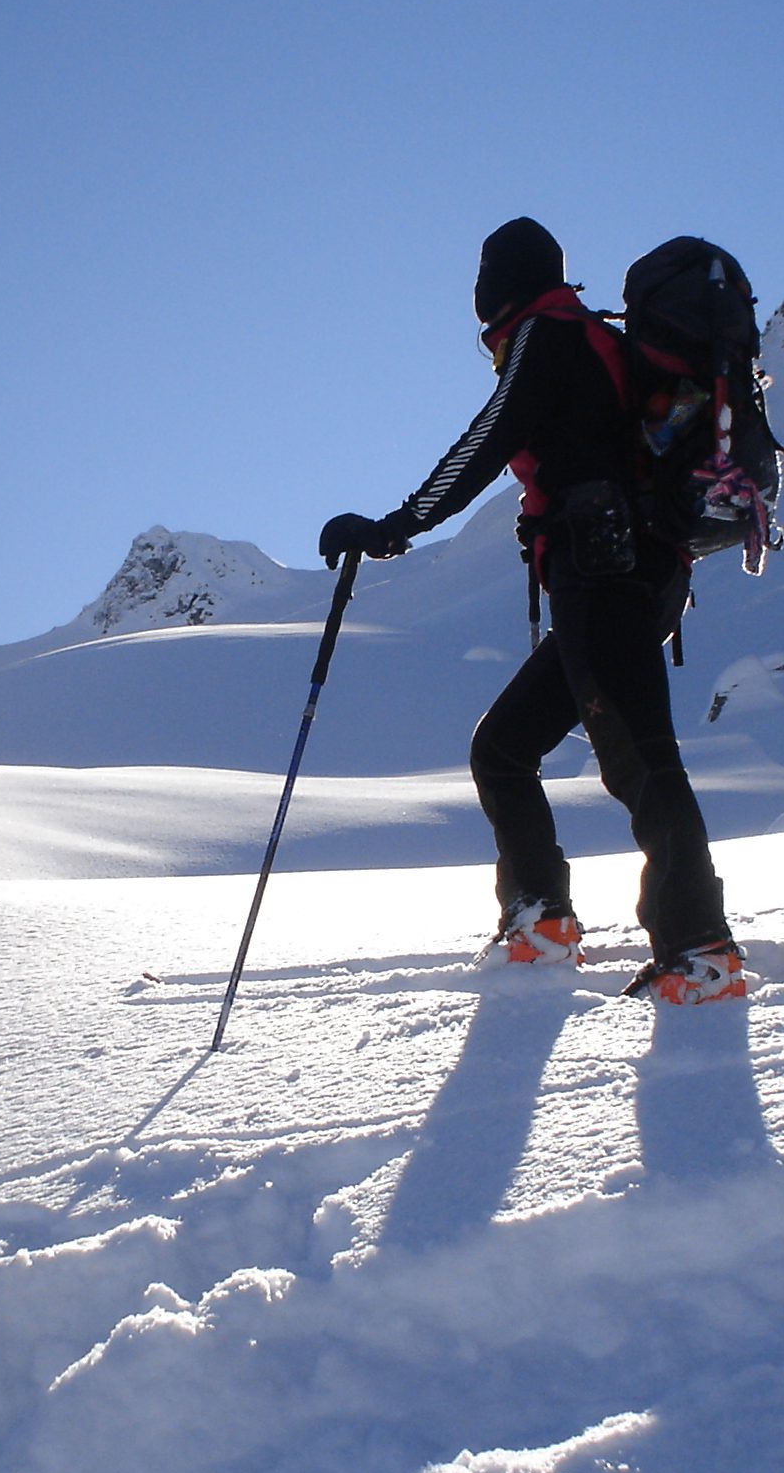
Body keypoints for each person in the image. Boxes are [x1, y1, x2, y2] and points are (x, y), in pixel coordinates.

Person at [318, 217, 744, 1005]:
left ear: (503, 282)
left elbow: (488, 438)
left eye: (485, 278)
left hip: (604, 573)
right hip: (628, 574)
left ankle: (700, 951)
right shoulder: (583, 337)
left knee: (641, 759)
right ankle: (542, 924)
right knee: (505, 749)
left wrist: (394, 527)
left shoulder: (547, 336)